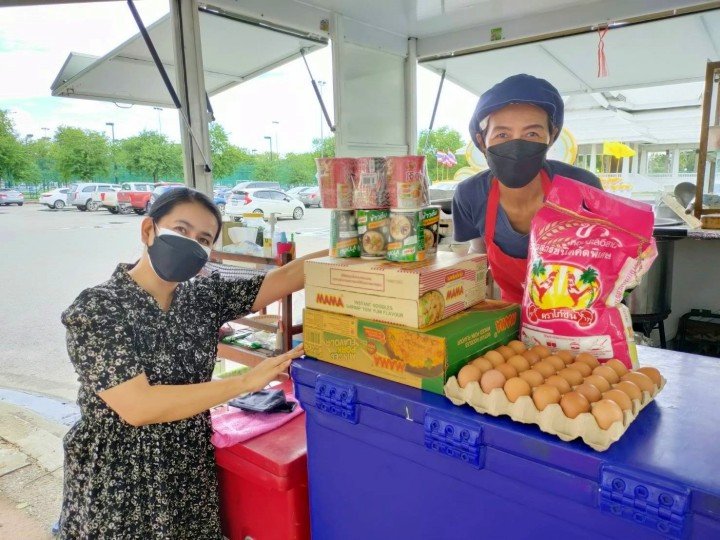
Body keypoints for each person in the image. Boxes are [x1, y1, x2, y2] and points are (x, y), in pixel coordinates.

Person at [59, 187, 321, 539]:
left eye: (203, 238)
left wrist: (362, 242)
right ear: (149, 230)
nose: (191, 243)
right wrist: (245, 382)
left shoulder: (201, 298)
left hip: (186, 469)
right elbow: (138, 406)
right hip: (120, 478)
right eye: (181, 230)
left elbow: (287, 277)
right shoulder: (98, 308)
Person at [452, 73, 602, 303]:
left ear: (551, 136)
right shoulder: (470, 195)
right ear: (482, 141)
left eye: (532, 133)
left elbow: (604, 261)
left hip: (576, 316)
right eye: (502, 134)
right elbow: (478, 255)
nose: (517, 145)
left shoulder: (582, 187)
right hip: (512, 317)